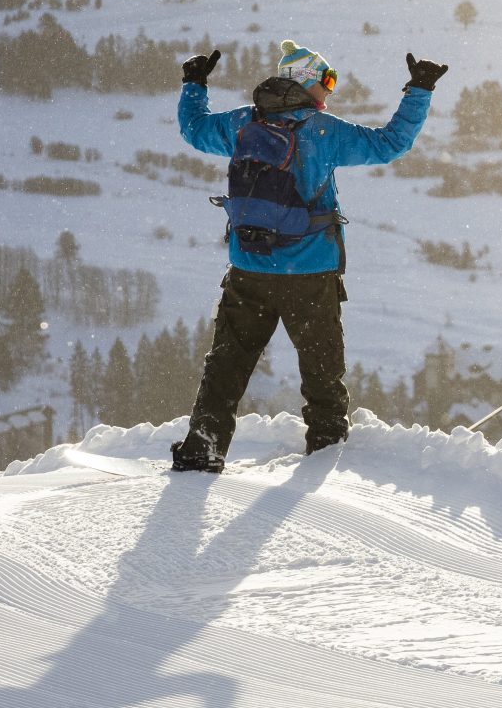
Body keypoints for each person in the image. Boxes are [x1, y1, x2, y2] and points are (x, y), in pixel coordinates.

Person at [170, 39, 447, 472]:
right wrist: (420, 90)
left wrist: (194, 83)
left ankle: (203, 447)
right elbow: (390, 144)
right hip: (310, 271)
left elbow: (194, 129)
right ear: (307, 83)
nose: (330, 91)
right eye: (327, 81)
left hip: (249, 268)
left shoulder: (243, 123)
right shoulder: (325, 131)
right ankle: (326, 451)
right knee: (321, 369)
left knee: (228, 363)